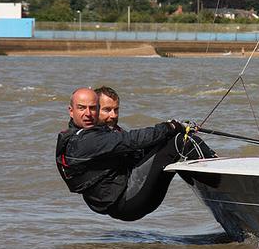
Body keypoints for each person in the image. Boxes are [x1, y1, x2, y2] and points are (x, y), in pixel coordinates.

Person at [55, 87, 215, 221]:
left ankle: (212, 188)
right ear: (71, 111)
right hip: (127, 201)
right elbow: (132, 139)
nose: (88, 113)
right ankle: (220, 181)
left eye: (93, 108)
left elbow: (138, 150)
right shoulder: (86, 141)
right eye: (82, 108)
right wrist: (169, 127)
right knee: (181, 141)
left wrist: (167, 132)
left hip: (126, 200)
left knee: (169, 145)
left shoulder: (91, 135)